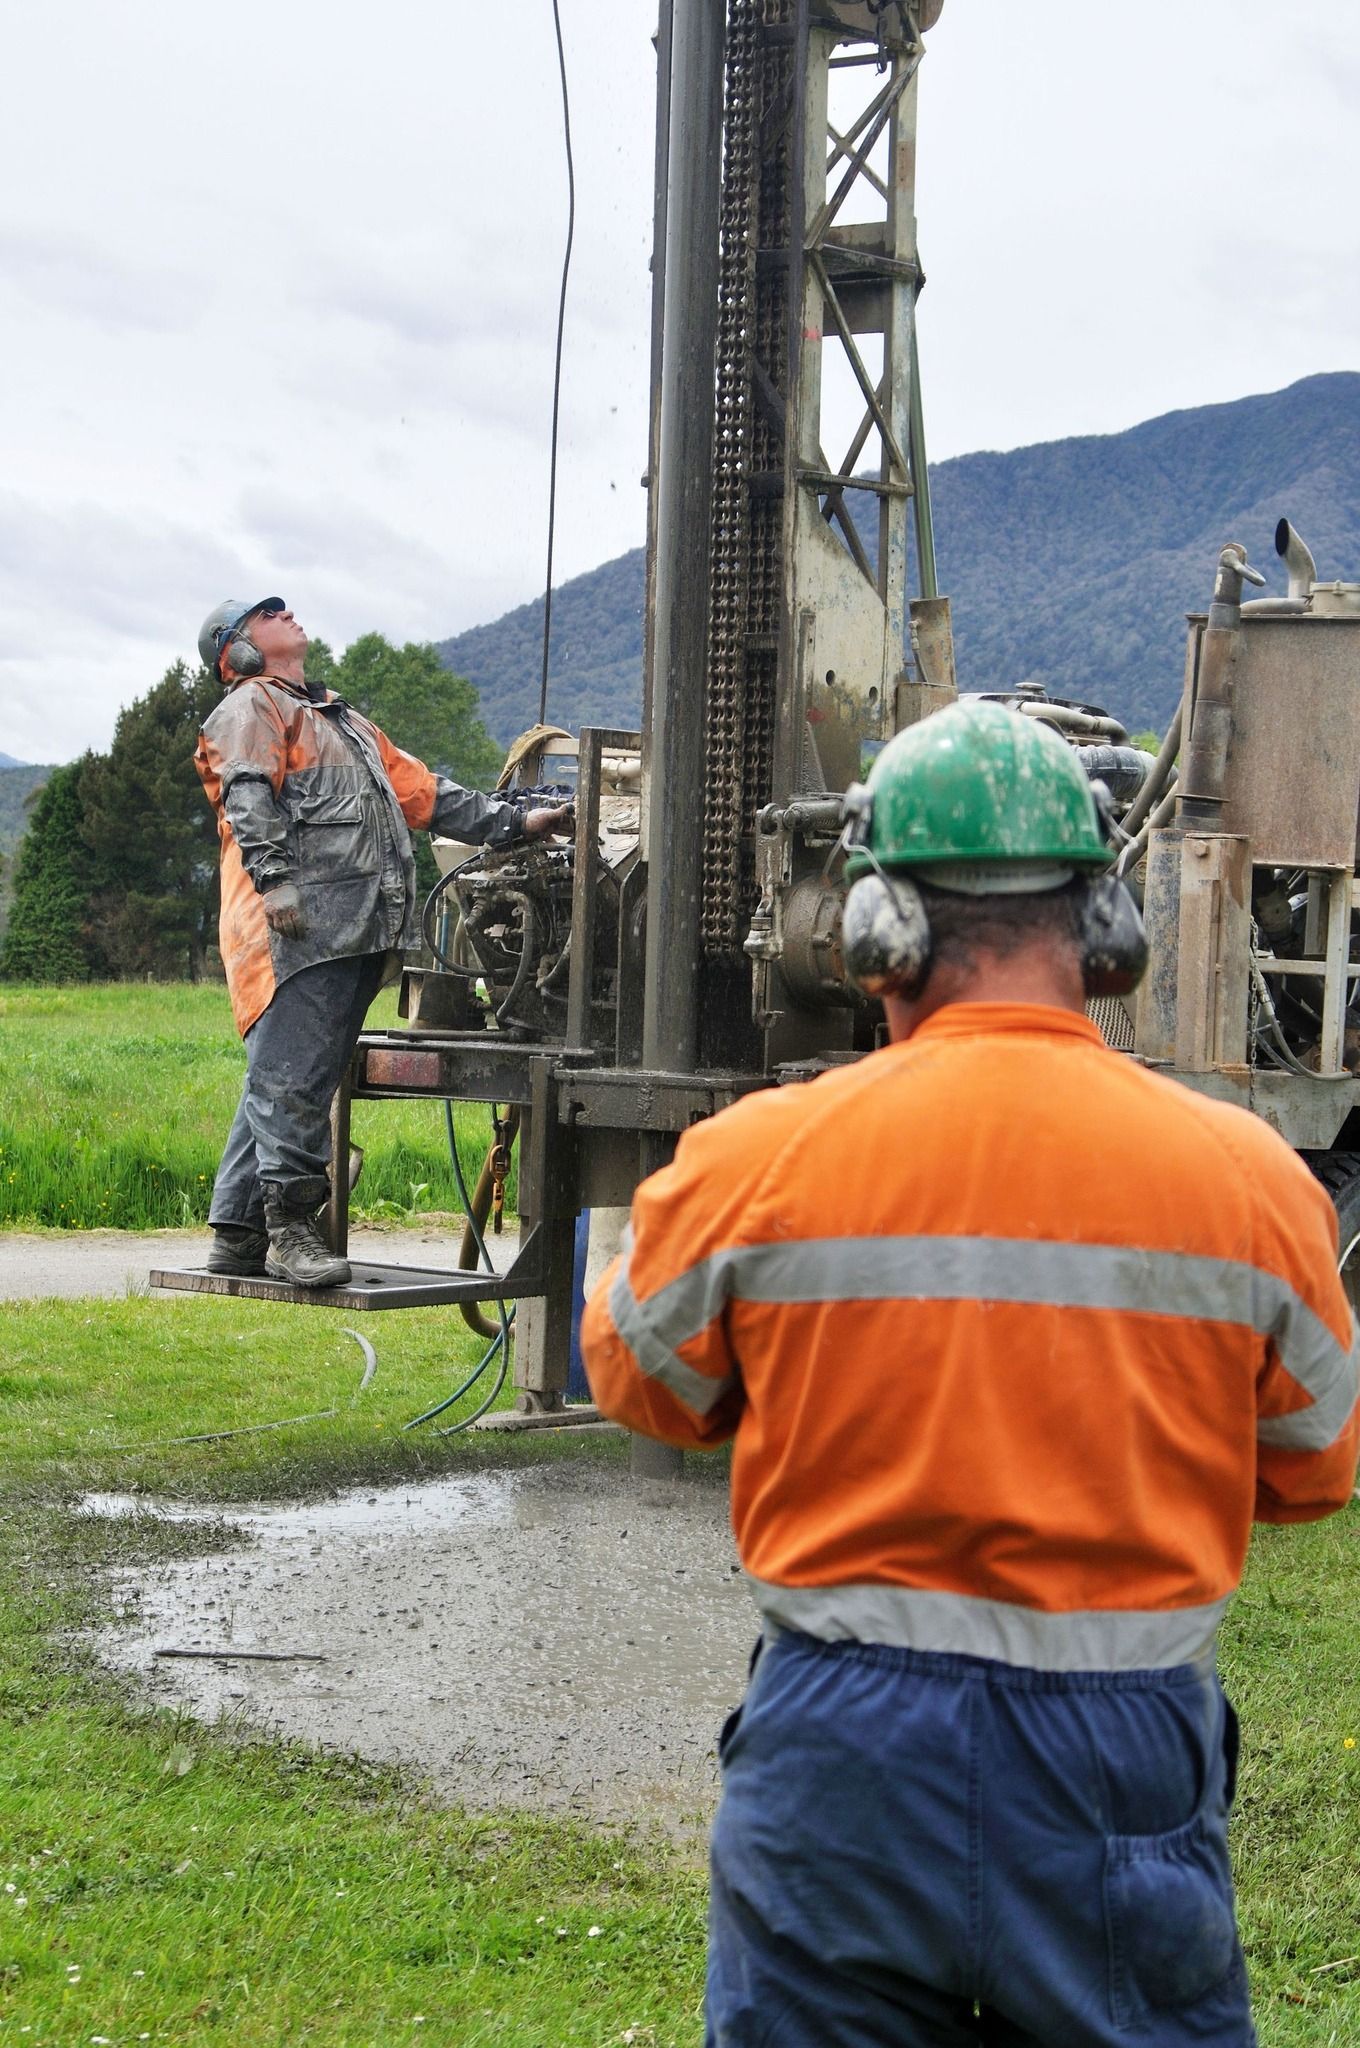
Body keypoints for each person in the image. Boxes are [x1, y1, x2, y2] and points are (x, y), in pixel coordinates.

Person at [581, 698, 1358, 2047]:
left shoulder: (755, 1158)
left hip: (843, 1749)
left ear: (877, 933)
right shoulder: (1252, 1183)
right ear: (1105, 931)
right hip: (1119, 1746)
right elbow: (1311, 1472)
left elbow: (650, 1391)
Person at [193, 596, 569, 1287]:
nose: (289, 614)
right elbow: (247, 793)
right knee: (292, 1085)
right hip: (292, 932)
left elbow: (426, 795)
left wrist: (521, 820)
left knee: (284, 1080)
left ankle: (238, 1234)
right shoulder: (252, 705)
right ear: (237, 650)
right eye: (270, 613)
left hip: (353, 932)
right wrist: (277, 884)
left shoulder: (346, 723)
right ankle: (292, 1236)